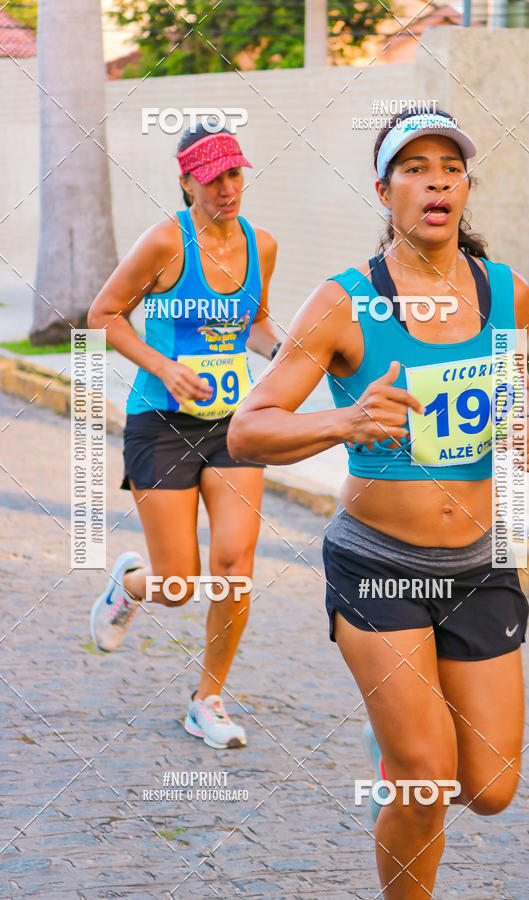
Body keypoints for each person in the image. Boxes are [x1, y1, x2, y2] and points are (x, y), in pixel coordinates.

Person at [227, 109, 529, 895]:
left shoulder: (507, 293)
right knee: (426, 781)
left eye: (450, 167)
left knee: (491, 789)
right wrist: (342, 421)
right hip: (378, 564)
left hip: (479, 564)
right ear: (384, 191)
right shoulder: (344, 303)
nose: (436, 181)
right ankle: (407, 765)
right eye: (414, 168)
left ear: (465, 187)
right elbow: (248, 430)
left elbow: (511, 394)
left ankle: (401, 755)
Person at [88, 124, 281, 749]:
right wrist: (165, 367)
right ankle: (130, 585)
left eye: (235, 174)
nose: (227, 189)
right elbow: (103, 315)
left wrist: (283, 351)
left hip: (232, 426)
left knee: (234, 568)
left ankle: (207, 700)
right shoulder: (165, 242)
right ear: (186, 181)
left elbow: (256, 322)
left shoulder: (262, 245)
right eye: (212, 178)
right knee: (176, 586)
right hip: (162, 425)